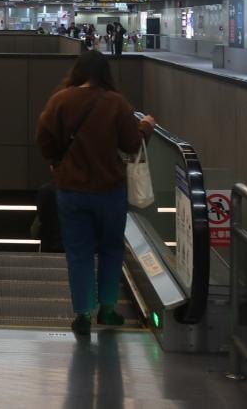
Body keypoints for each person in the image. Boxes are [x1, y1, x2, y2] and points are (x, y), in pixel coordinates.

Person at [36, 50, 154, 336]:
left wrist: (57, 161)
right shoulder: (116, 102)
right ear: (105, 74)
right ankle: (108, 310)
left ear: (77, 71)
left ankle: (82, 315)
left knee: (79, 253)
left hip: (71, 191)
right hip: (109, 191)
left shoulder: (60, 100)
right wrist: (146, 127)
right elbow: (131, 144)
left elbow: (44, 140)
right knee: (111, 249)